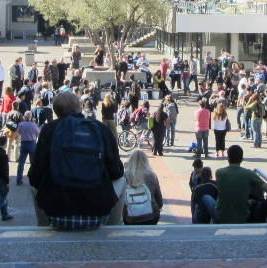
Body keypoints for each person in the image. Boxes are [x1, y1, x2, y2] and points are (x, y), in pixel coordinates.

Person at [28, 92, 125, 228]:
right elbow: (117, 172)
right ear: (80, 108)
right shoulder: (101, 129)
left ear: (56, 112)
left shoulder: (49, 130)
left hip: (56, 213)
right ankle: (113, 227)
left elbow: (34, 177)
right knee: (122, 179)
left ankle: (43, 227)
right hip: (97, 213)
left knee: (33, 185)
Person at [201, 145, 267, 224]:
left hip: (221, 215)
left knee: (205, 197)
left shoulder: (219, 172)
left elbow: (229, 191)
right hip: (241, 217)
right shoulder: (249, 174)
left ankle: (201, 225)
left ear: (228, 158)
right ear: (242, 159)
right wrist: (266, 203)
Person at [123, 150, 163, 225]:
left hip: (129, 216)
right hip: (151, 216)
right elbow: (159, 200)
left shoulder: (125, 175)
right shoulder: (151, 176)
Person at [15, 112, 41, 186]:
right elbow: (38, 132)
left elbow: (18, 132)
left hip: (23, 143)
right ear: (30, 117)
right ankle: (34, 179)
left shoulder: (21, 124)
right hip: (32, 143)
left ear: (24, 117)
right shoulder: (33, 125)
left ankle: (19, 179)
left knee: (21, 163)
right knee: (33, 163)